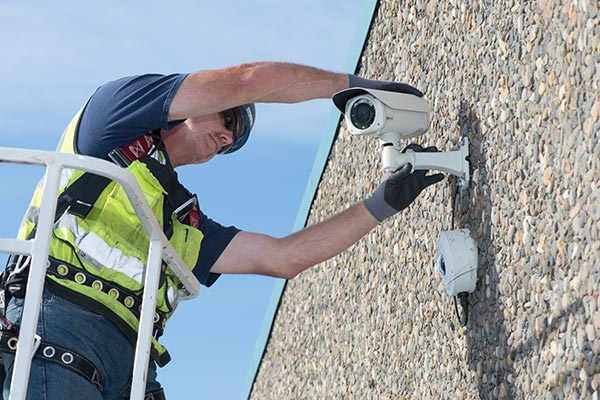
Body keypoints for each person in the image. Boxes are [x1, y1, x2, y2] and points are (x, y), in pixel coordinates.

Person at [0, 62, 444, 399]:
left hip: (133, 368)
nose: (229, 139)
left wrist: (384, 202)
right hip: (54, 323)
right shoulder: (111, 123)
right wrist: (351, 86)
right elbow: (248, 80)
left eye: (236, 143)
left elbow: (281, 258)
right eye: (229, 121)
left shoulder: (182, 220)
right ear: (195, 107)